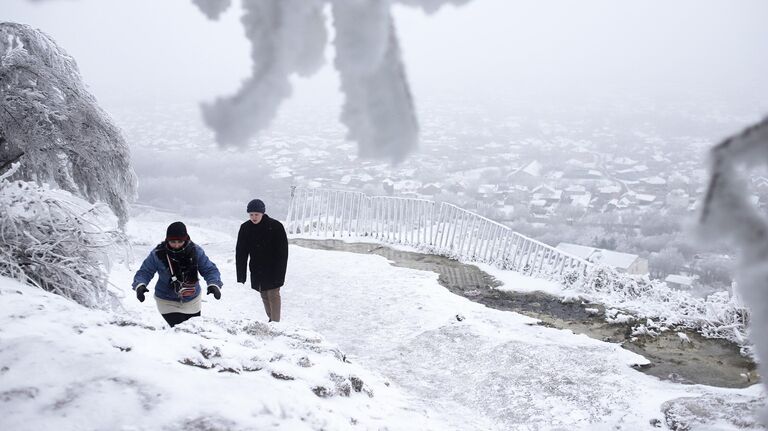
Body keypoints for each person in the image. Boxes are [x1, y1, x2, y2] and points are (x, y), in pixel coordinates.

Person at [132, 221, 223, 327]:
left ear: (186, 239)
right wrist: (140, 285)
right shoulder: (157, 254)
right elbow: (145, 271)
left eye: (180, 241)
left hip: (192, 299)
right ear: (167, 240)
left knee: (192, 330)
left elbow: (209, 270)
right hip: (166, 300)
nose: (176, 245)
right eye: (172, 241)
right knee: (179, 330)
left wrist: (213, 284)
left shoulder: (196, 251)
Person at [236, 198, 288, 322]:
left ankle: (275, 323)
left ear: (263, 213)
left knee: (273, 294)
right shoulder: (245, 228)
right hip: (257, 268)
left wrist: (280, 274)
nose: (254, 217)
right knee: (263, 293)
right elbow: (241, 253)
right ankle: (271, 319)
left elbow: (283, 253)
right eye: (251, 215)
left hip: (273, 267)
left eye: (256, 214)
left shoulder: (275, 226)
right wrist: (241, 275)